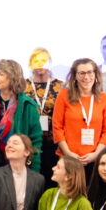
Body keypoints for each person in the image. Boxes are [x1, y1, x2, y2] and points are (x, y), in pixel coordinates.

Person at [52, 58, 106, 177]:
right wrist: (68, 153)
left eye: (90, 72)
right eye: (82, 73)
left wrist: (96, 154)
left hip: (95, 159)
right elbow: (57, 127)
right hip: (68, 158)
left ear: (96, 74)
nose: (86, 77)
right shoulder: (64, 95)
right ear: (75, 76)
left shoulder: (104, 98)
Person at [0, 59, 43, 172]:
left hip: (18, 166)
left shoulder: (27, 105)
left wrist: (35, 174)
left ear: (12, 77)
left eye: (1, 74)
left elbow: (35, 142)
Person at [23, 48, 64, 185]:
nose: (40, 64)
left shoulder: (60, 85)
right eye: (36, 61)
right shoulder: (23, 85)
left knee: (52, 180)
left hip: (54, 143)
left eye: (44, 60)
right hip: (31, 142)